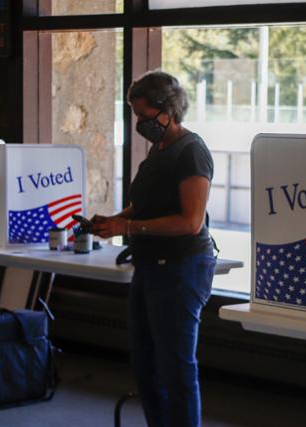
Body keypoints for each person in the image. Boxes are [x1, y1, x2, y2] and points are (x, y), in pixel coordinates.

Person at [91, 70, 216, 427]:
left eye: (145, 116)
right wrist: (116, 219)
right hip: (150, 265)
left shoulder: (191, 151)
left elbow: (190, 221)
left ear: (169, 111)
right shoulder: (159, 149)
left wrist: (127, 227)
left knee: (176, 366)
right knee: (145, 364)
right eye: (135, 115)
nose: (140, 124)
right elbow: (146, 203)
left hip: (180, 267)